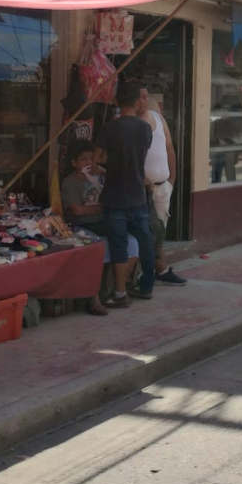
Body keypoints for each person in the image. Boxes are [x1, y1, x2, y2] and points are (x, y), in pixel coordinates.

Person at [95, 80, 156, 308]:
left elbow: (97, 158)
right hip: (138, 194)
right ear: (136, 101)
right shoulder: (145, 128)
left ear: (118, 102)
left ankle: (120, 294)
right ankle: (147, 285)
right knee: (145, 240)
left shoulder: (111, 127)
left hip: (115, 196)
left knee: (119, 245)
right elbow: (140, 154)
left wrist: (109, 162)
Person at [139, 85, 185, 287]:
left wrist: (172, 180)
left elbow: (169, 148)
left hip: (163, 187)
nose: (144, 101)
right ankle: (149, 272)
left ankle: (157, 270)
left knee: (159, 233)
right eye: (141, 97)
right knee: (146, 232)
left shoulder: (159, 119)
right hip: (141, 190)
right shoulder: (128, 123)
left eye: (146, 97)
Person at [60, 141, 112, 316]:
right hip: (80, 226)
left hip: (103, 223)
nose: (88, 163)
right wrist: (103, 207)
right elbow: (77, 210)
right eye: (83, 159)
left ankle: (112, 291)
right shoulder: (70, 182)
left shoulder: (103, 177)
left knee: (131, 242)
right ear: (74, 163)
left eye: (92, 158)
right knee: (96, 248)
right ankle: (93, 298)